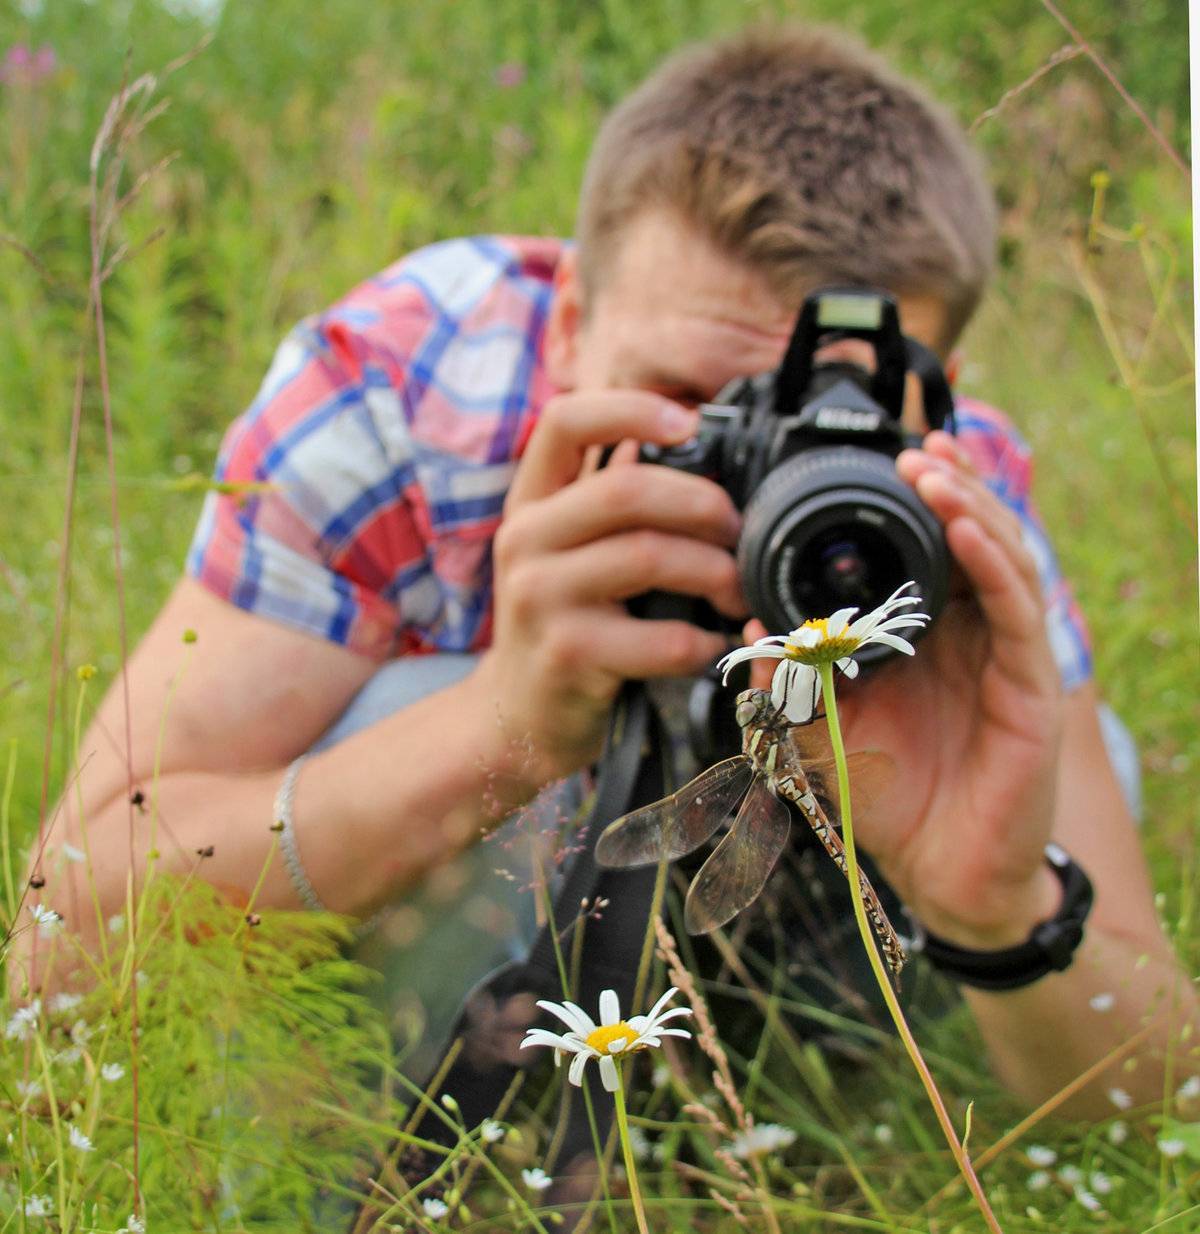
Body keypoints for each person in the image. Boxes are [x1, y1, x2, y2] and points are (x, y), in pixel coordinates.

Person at [22, 25, 1193, 1118]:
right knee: (403, 712)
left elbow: (1163, 1095)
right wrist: (500, 726)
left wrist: (996, 906)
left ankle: (825, 1105)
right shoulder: (402, 392)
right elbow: (58, 938)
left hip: (794, 973)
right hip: (451, 959)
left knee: (1045, 784)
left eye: (828, 423)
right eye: (703, 412)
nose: (758, 498)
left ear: (935, 384)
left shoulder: (946, 494)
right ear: (570, 313)